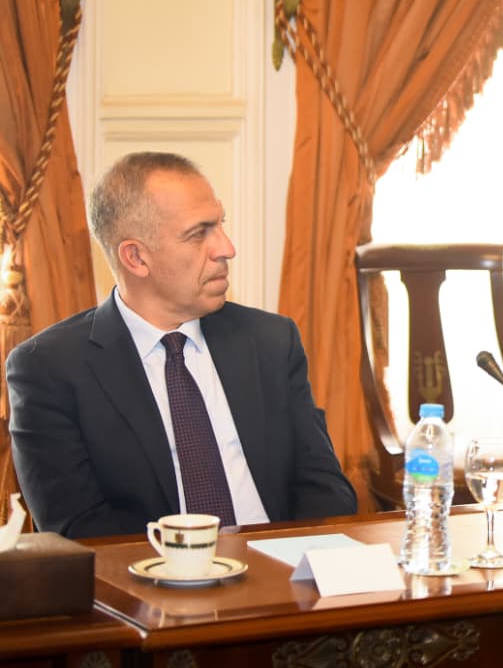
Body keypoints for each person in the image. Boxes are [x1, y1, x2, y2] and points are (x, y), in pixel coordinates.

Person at [8, 152, 357, 538]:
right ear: (136, 257)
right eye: (198, 233)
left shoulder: (270, 340)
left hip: (280, 561)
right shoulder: (48, 369)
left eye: (220, 224)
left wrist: (291, 561)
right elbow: (77, 530)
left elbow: (325, 488)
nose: (226, 248)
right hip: (150, 572)